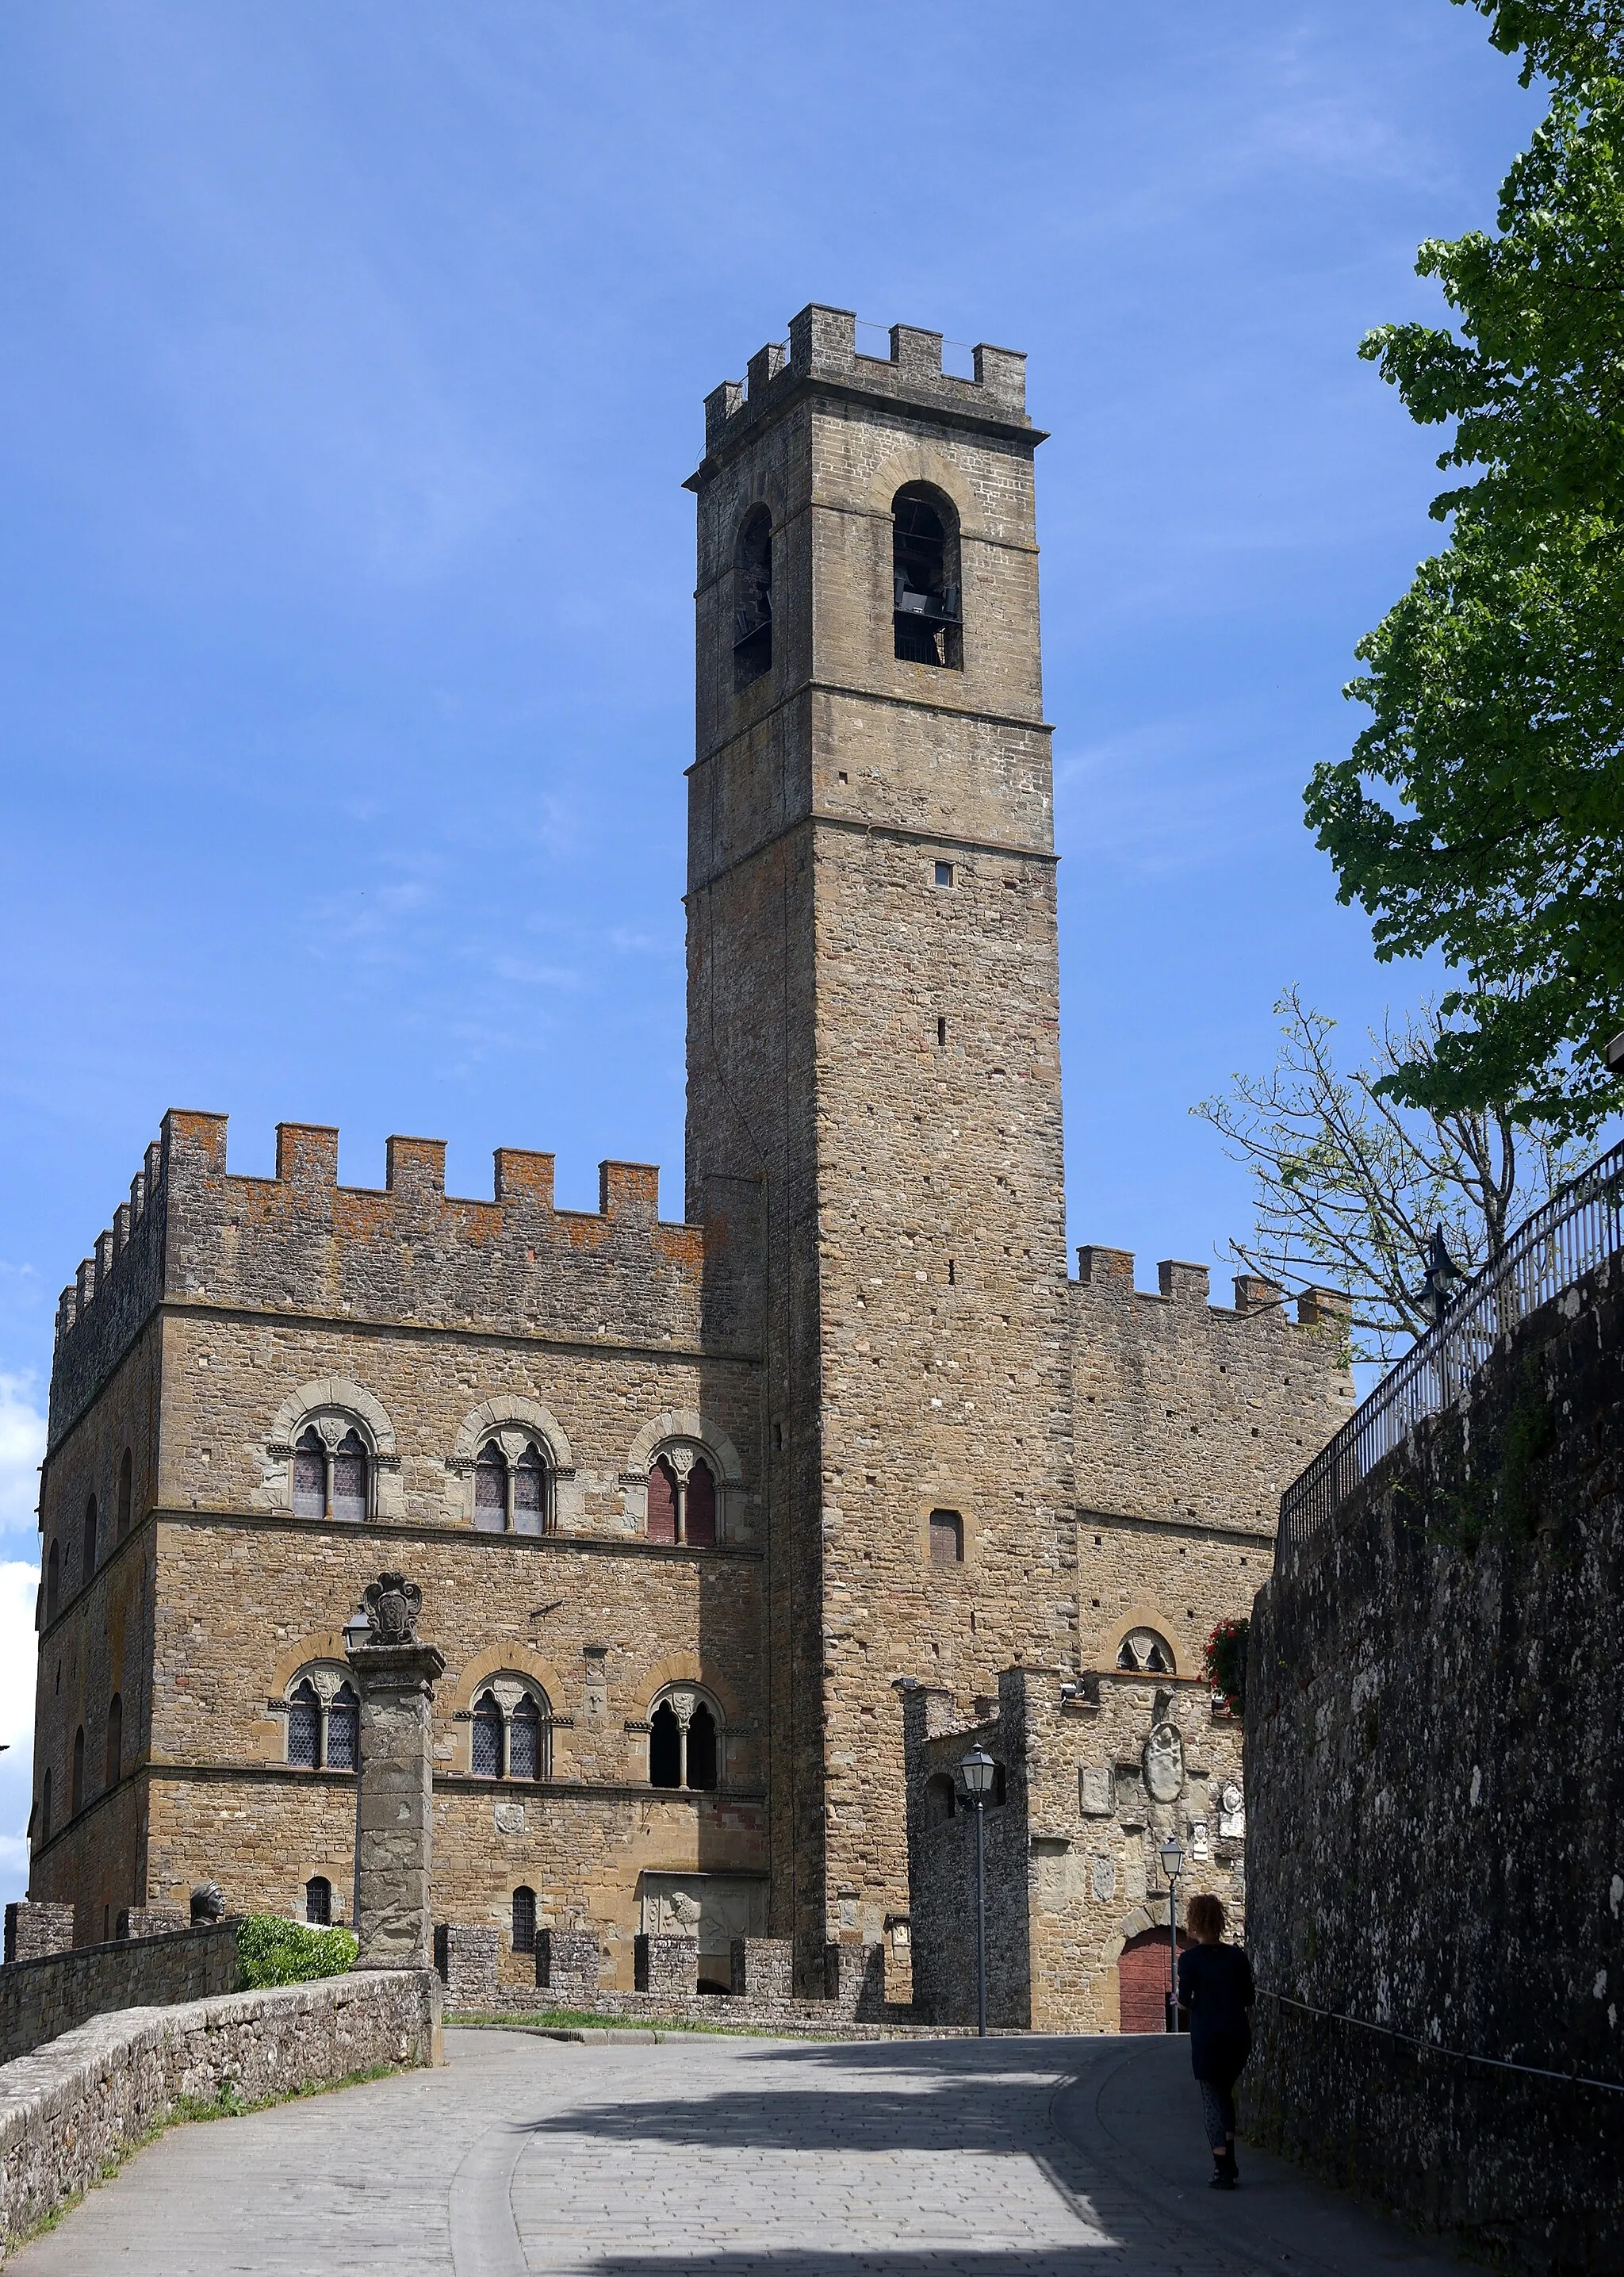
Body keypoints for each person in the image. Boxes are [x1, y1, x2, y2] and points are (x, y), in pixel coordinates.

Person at [1176, 1891, 1254, 2188]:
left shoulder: (1190, 1960)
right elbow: (1249, 1997)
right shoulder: (1237, 1957)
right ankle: (1230, 2161)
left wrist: (1190, 2003)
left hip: (1208, 2037)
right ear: (1220, 1921)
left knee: (1211, 2098)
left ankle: (1222, 2168)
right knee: (1224, 2095)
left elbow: (1183, 2002)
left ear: (1194, 1922)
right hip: (1237, 2035)